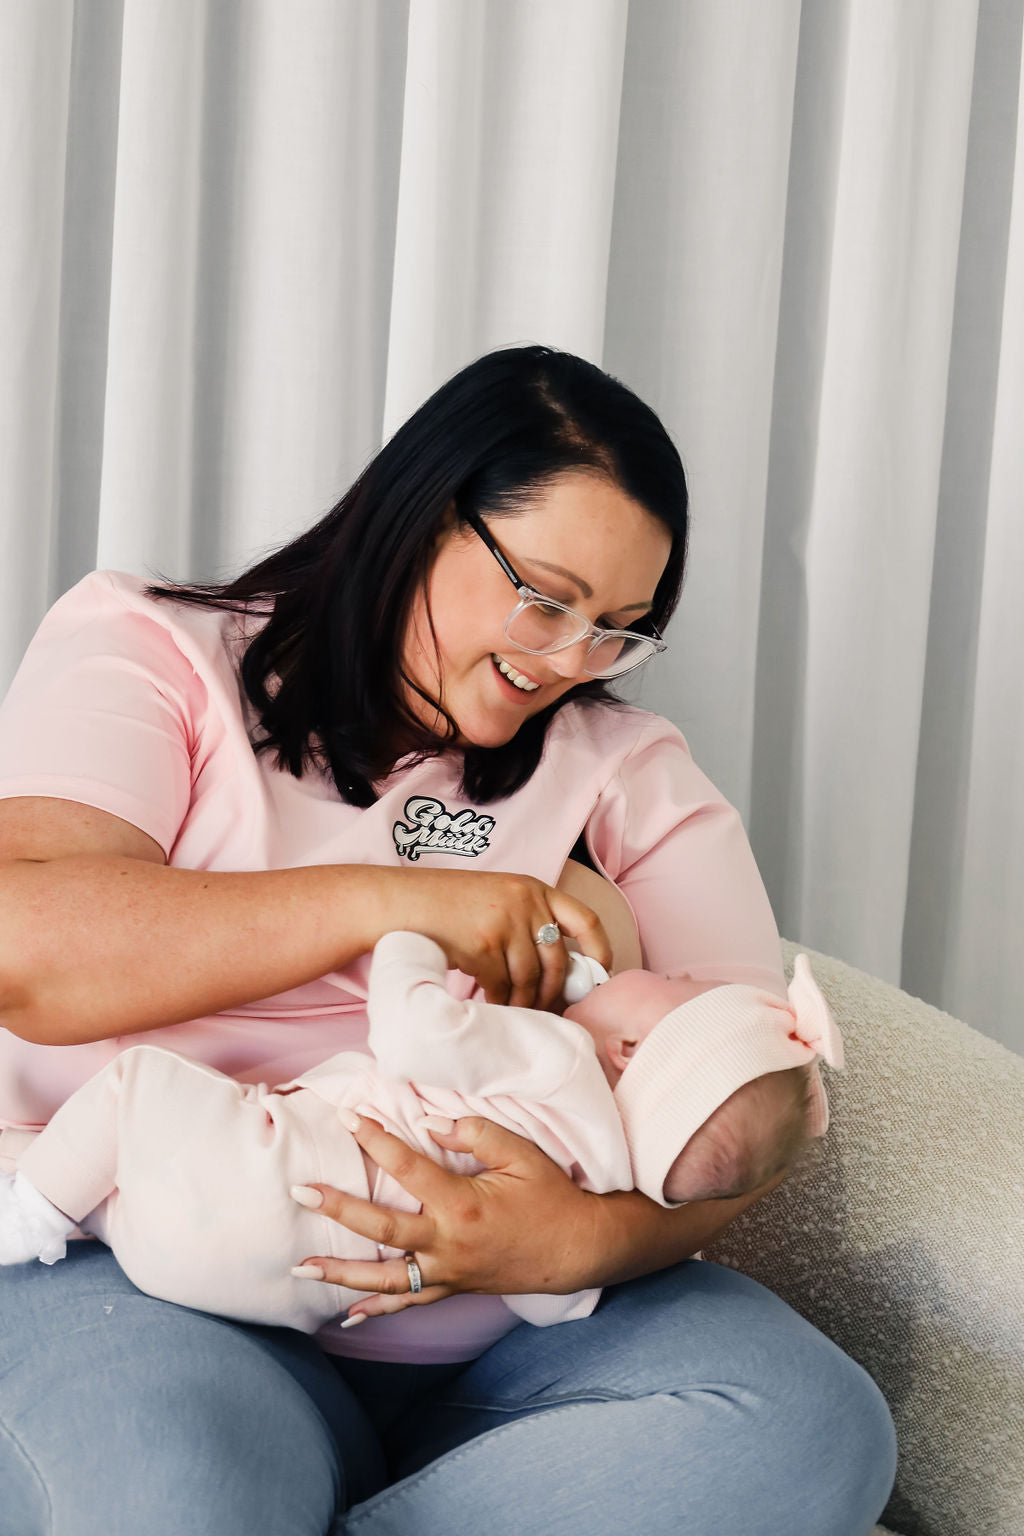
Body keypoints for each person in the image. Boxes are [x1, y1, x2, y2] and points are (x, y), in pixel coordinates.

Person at [0, 345, 897, 1534]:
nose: (569, 658)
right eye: (545, 595)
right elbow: (31, 950)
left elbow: (749, 1104)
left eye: (618, 629)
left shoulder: (626, 773)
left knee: (810, 1428)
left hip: (509, 1343)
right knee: (180, 1496)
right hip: (153, 1272)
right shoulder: (156, 652)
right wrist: (399, 899)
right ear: (427, 516)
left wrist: (572, 1240)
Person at [0, 927, 843, 1335]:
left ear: (627, 1050)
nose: (650, 965)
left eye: (665, 979)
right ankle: (69, 1203)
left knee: (136, 1089)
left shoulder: (556, 1056)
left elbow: (409, 1033)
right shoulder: (601, 1182)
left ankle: (29, 1214)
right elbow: (550, 1301)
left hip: (269, 1173)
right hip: (291, 1294)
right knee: (146, 1194)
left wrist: (411, 939)